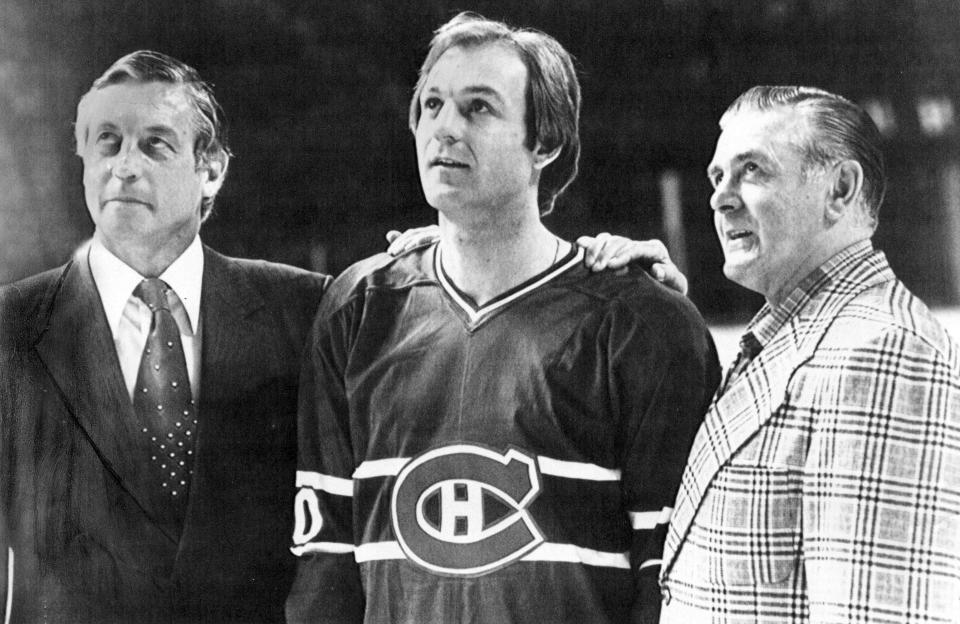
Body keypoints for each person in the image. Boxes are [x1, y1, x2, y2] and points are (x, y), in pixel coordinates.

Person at [287, 12, 719, 624]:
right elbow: (325, 564)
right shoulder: (358, 309)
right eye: (432, 105)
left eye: (478, 108)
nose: (444, 129)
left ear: (545, 142)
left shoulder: (644, 325)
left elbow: (675, 578)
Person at [589, 86, 960, 621]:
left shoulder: (882, 353)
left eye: (753, 171)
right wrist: (656, 319)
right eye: (718, 177)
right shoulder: (800, 337)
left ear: (841, 189)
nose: (720, 198)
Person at [0, 50, 330, 623]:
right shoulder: (11, 328)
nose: (123, 166)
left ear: (212, 169)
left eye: (154, 144)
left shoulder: (305, 310)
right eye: (107, 141)